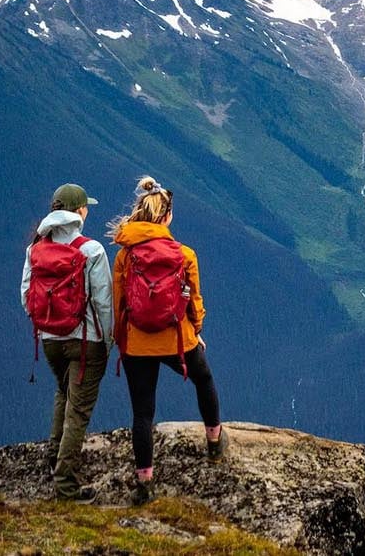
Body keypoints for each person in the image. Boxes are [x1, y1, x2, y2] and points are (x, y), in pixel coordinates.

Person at [111, 176, 225, 505]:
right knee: (203, 379)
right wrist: (196, 332)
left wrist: (123, 340)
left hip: (136, 342)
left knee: (143, 413)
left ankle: (145, 483)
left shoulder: (124, 256)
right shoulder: (184, 254)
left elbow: (120, 301)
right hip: (178, 338)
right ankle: (215, 443)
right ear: (167, 217)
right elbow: (194, 301)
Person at [21, 182, 113, 503]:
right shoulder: (92, 250)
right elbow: (103, 302)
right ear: (79, 211)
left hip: (49, 341)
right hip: (86, 341)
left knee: (63, 392)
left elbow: (26, 297)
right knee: (79, 410)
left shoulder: (36, 248)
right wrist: (108, 340)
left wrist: (48, 324)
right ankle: (66, 485)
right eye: (86, 206)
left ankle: (52, 457)